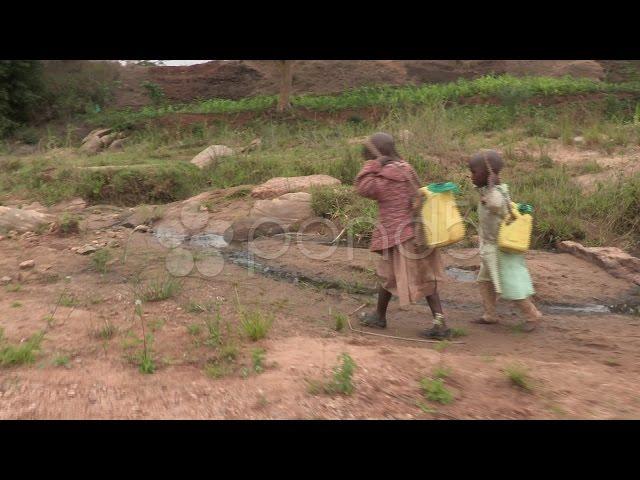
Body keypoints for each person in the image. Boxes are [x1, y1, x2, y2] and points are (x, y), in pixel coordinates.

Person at [354, 132, 450, 339]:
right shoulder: (406, 168)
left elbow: (363, 188)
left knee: (419, 277)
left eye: (368, 156)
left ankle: (439, 323)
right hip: (418, 231)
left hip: (401, 236)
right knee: (390, 274)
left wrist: (373, 165)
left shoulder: (387, 175)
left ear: (377, 154)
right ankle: (380, 316)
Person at [468, 150, 542, 332]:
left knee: (510, 284)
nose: (471, 176)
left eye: (474, 171)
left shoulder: (497, 193)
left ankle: (532, 315)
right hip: (490, 247)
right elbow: (483, 192)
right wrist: (488, 182)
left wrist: (492, 183)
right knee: (484, 280)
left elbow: (494, 204)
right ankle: (490, 314)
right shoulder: (487, 189)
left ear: (488, 173)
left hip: (501, 248)